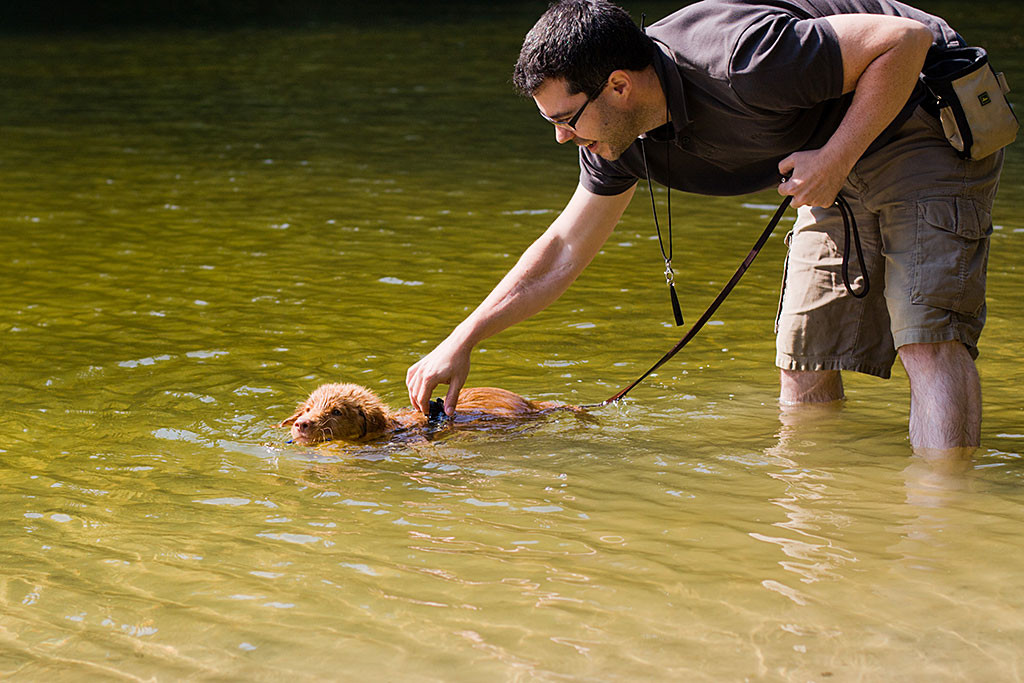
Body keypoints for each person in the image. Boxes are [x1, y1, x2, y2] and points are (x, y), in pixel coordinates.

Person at [405, 0, 1004, 454]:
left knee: (926, 338)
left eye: (566, 119)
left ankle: (940, 522)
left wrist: (838, 157)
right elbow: (564, 247)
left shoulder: (741, 60)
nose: (561, 137)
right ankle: (821, 514)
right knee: (804, 355)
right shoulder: (613, 136)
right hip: (826, 149)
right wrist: (464, 338)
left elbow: (905, 39)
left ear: (619, 85)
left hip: (918, 113)